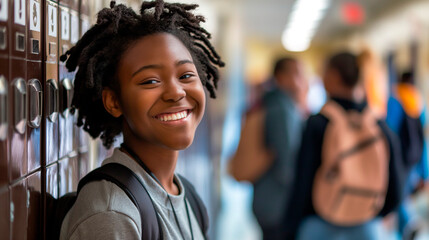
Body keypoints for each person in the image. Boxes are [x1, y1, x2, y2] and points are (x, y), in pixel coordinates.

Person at [59, 1, 224, 239]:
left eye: (186, 75)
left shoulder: (187, 196)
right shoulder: (113, 212)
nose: (176, 92)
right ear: (114, 102)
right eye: (150, 81)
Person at [284, 52, 404, 240]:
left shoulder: (318, 123)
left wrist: (290, 227)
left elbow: (303, 181)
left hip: (319, 225)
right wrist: (370, 212)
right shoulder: (378, 125)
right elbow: (397, 187)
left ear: (334, 75)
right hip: (367, 228)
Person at [228, 57, 307, 239]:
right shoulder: (281, 108)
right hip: (277, 205)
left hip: (266, 200)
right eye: (297, 74)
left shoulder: (270, 102)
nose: (302, 79)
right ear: (281, 77)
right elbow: (286, 163)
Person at [386, 71, 427, 239]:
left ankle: (408, 225)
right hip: (414, 158)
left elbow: (390, 130)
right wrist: (425, 171)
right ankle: (408, 226)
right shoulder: (418, 100)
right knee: (404, 193)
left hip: (399, 157)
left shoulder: (394, 99)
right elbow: (422, 135)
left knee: (399, 193)